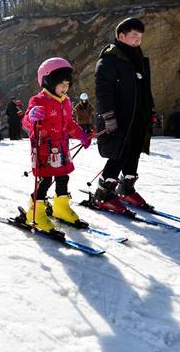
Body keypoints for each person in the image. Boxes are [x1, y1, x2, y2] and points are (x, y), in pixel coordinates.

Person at [91, 17, 155, 212]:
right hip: (119, 117)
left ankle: (126, 188)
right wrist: (108, 116)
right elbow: (103, 91)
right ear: (121, 36)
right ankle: (103, 193)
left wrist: (150, 111)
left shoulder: (139, 59)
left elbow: (145, 90)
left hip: (138, 116)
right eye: (134, 36)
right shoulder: (110, 59)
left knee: (134, 151)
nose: (138, 40)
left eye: (140, 37)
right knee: (119, 153)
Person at [21, 58, 92, 231]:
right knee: (45, 180)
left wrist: (82, 135)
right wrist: (31, 117)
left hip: (61, 149)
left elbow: (69, 124)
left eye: (67, 84)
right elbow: (26, 122)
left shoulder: (66, 101)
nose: (65, 88)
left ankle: (61, 207)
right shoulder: (38, 100)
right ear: (48, 81)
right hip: (43, 149)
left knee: (63, 177)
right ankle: (35, 213)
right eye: (61, 84)